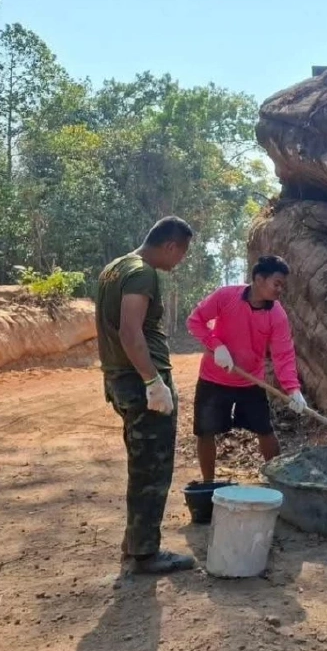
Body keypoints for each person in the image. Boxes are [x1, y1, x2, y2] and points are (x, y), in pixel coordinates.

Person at [96, 216, 195, 575]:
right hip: (140, 381)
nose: (179, 262)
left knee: (141, 464)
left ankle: (134, 543)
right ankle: (144, 554)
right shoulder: (142, 272)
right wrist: (153, 382)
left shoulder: (115, 267)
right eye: (180, 254)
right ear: (170, 245)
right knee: (152, 468)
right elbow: (129, 331)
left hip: (120, 379)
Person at [186, 255, 308, 482]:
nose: (280, 289)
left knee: (265, 431)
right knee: (205, 432)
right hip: (213, 379)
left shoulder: (277, 314)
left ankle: (278, 481)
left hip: (250, 381)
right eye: (277, 283)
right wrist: (216, 345)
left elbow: (283, 354)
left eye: (283, 285)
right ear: (259, 279)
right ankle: (208, 484)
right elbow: (195, 321)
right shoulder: (226, 296)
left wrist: (293, 389)